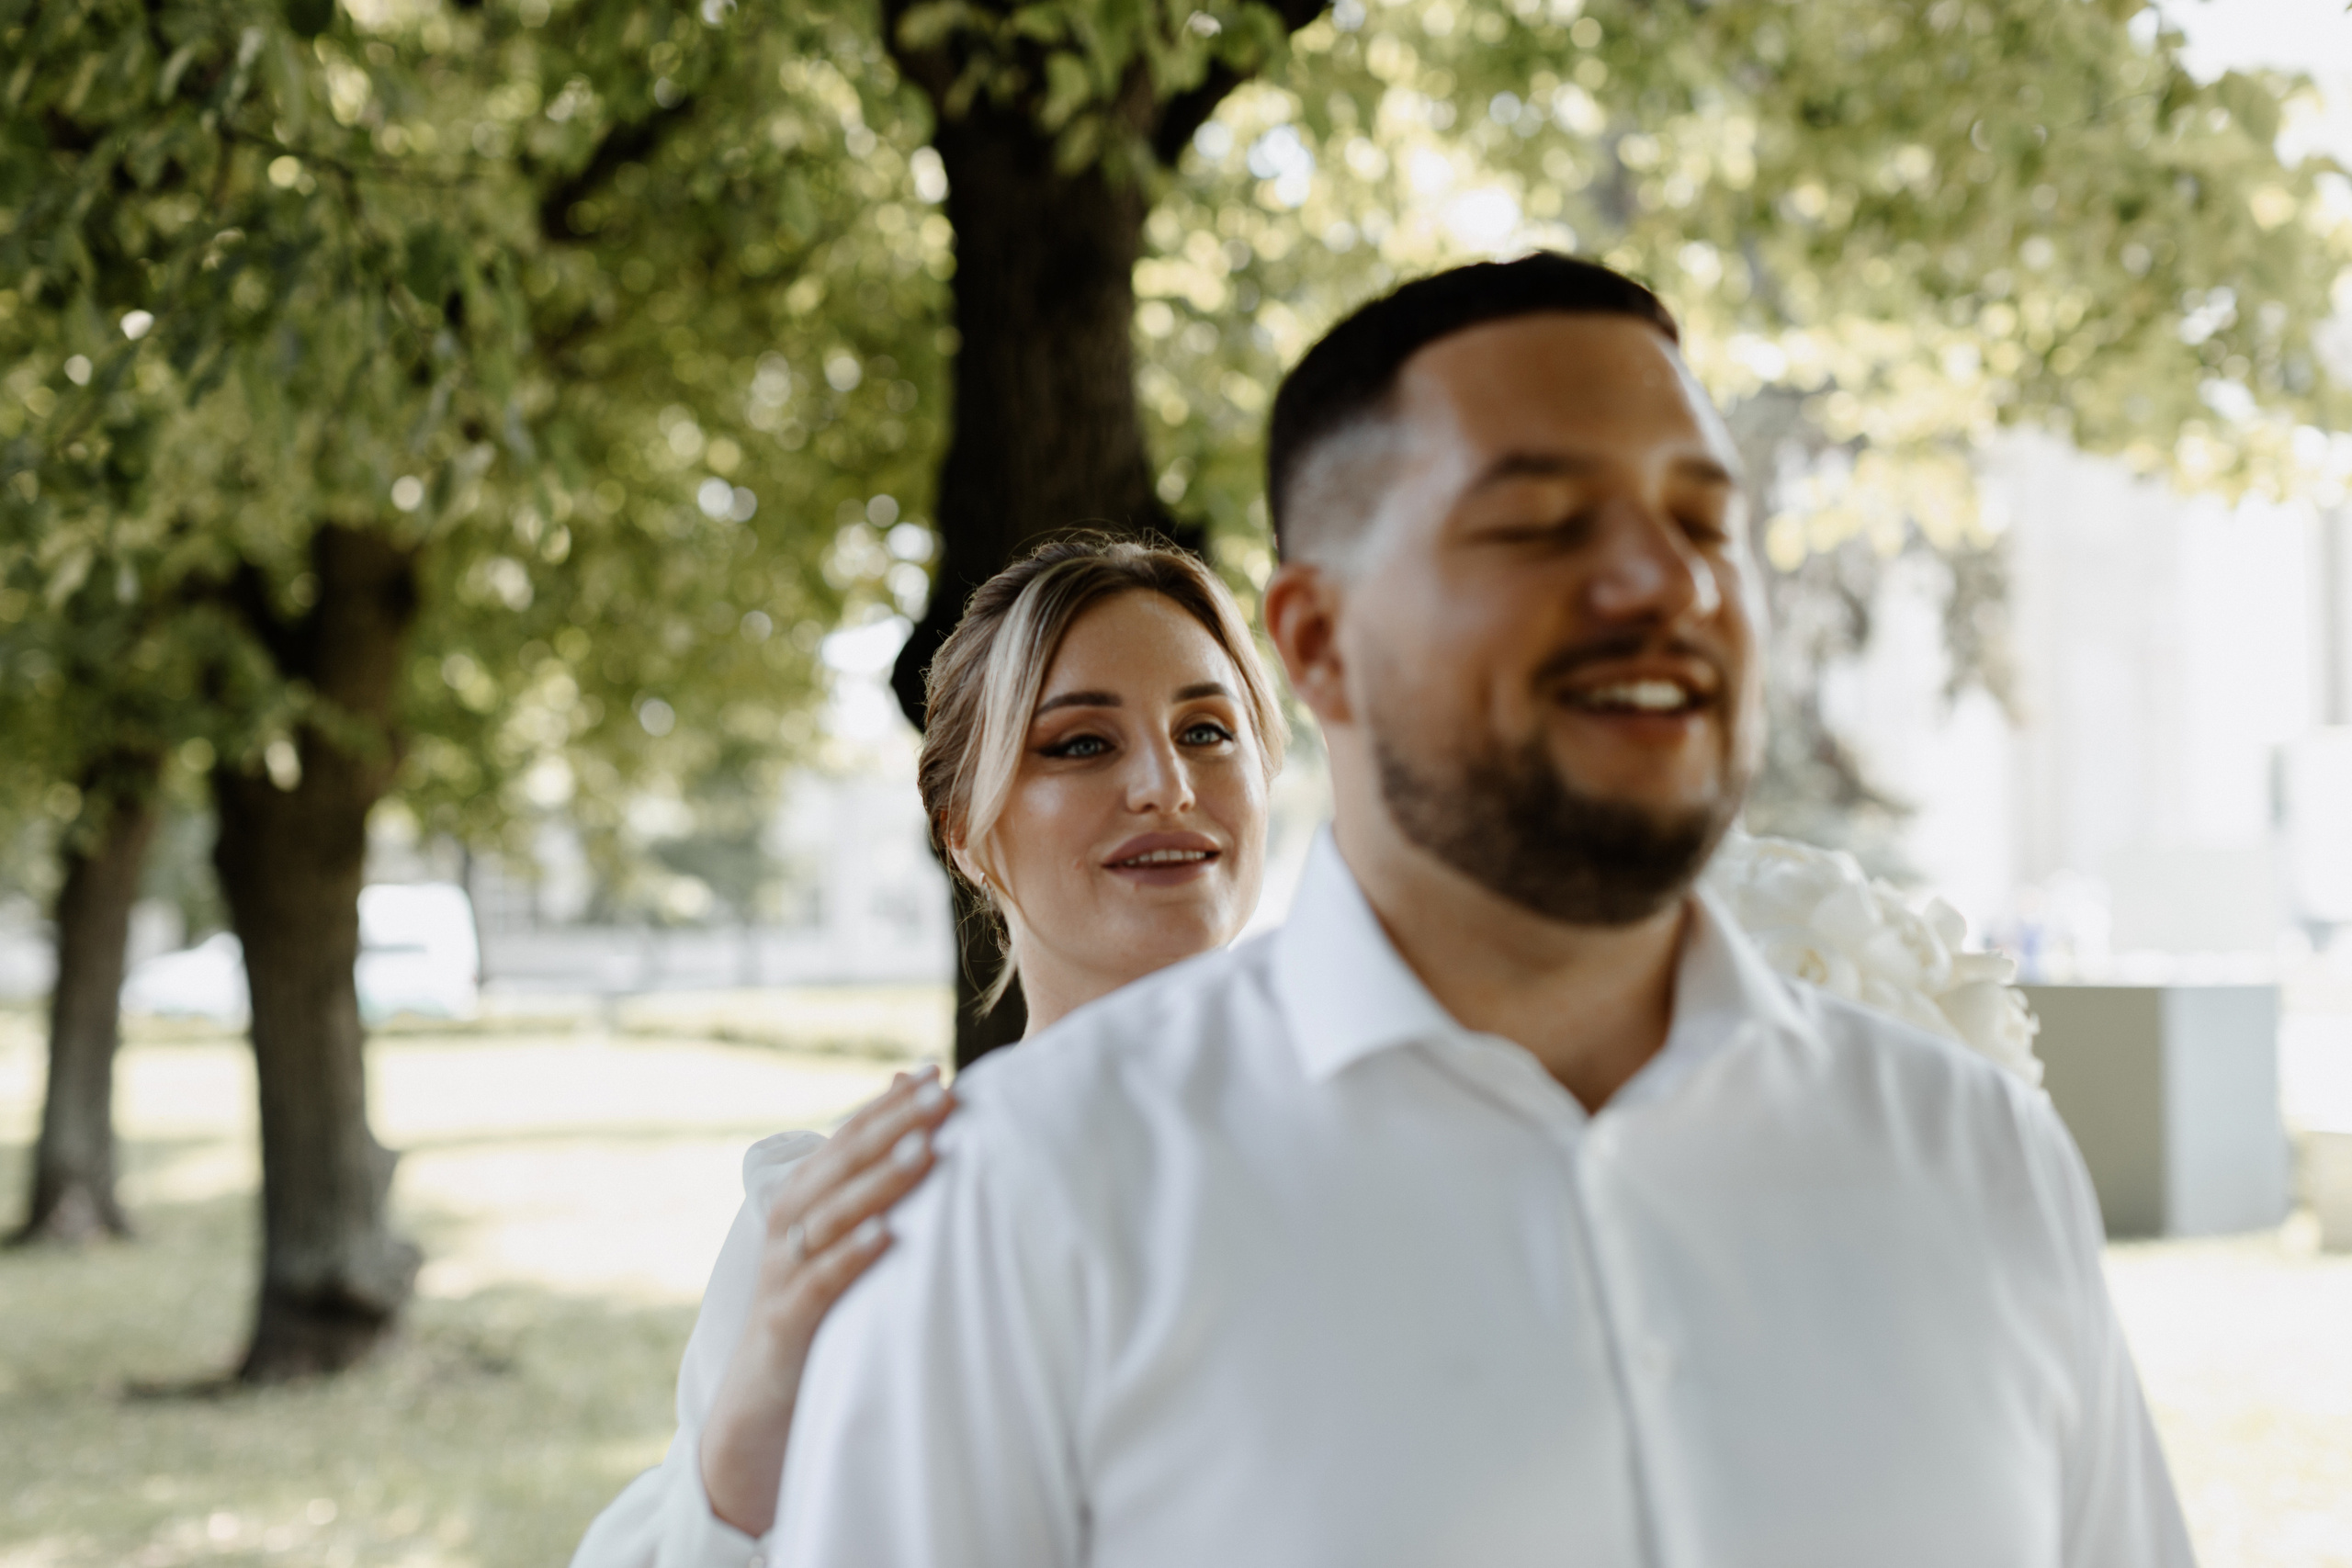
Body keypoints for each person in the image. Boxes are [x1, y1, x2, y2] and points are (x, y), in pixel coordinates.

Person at [767, 254, 2194, 1566]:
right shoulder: (1024, 1206)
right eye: (1539, 524)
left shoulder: (1976, 1155)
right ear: (1320, 643)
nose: (1666, 581)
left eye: (1706, 518)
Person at [570, 536, 1289, 1568]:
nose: (1166, 785)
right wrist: (757, 1411)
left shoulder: (1401, 1151)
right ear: (965, 828)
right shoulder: (839, 1224)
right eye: (1081, 744)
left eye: (1209, 730)